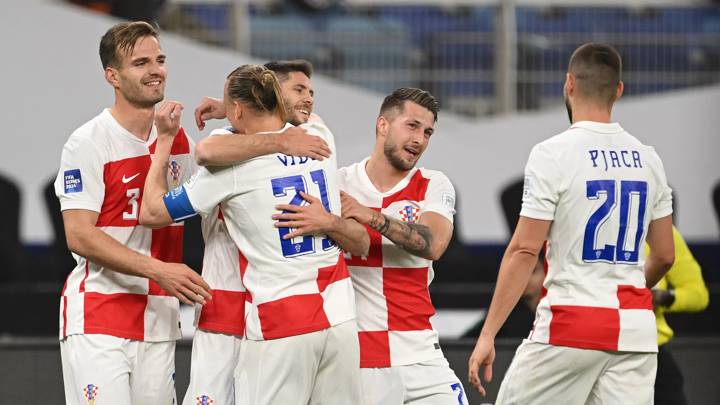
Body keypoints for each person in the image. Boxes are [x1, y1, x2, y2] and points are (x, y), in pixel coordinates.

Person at [139, 64, 368, 405]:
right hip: (340, 315)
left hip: (282, 318)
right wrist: (229, 106)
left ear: (239, 110)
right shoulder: (319, 136)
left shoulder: (231, 166)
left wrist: (163, 145)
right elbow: (294, 111)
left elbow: (152, 212)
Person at [467, 42, 676, 404]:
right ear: (619, 90)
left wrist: (488, 334)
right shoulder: (650, 159)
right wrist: (619, 292)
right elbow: (665, 255)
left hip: (571, 324)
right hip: (634, 331)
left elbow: (523, 249)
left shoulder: (553, 153)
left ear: (569, 84)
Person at [54, 21, 212, 405]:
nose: (155, 70)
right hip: (100, 315)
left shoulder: (177, 142)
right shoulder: (87, 142)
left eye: (159, 59)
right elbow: (79, 235)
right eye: (141, 63)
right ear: (113, 76)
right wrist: (159, 270)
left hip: (159, 319)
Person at [286, 87, 468, 404]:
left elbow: (434, 244)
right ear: (382, 125)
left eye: (428, 132)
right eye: (412, 126)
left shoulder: (433, 183)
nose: (420, 140)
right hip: (358, 360)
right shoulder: (337, 182)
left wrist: (369, 215)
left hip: (421, 354)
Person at [651, 226, 709, 405]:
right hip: (588, 345)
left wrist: (661, 297)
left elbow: (698, 294)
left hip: (652, 350)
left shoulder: (662, 232)